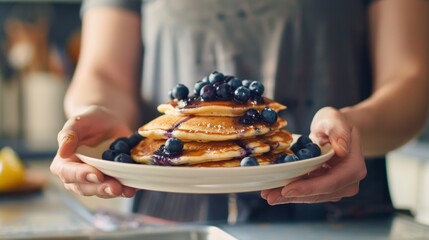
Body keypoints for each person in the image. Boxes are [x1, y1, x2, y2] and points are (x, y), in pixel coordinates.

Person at [50, 0, 429, 223]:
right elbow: (104, 73)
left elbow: (410, 78)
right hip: (171, 218)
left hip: (337, 215)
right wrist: (93, 114)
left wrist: (351, 129)